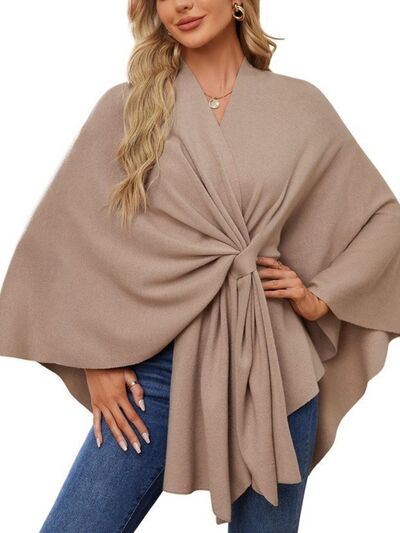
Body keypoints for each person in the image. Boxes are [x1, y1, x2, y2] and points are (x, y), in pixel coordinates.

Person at [1, 1, 399, 532]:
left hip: (273, 363)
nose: (181, 5)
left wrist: (320, 296)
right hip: (154, 367)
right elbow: (64, 243)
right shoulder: (129, 107)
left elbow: (384, 219)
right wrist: (94, 356)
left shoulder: (300, 105)